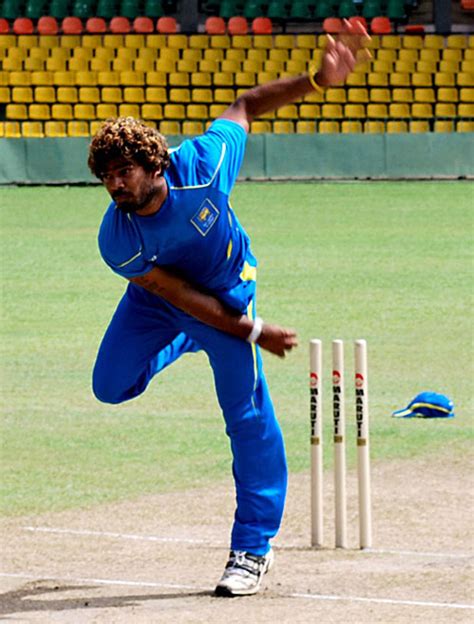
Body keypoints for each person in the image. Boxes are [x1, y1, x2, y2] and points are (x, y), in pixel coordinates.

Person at [88, 20, 369, 597]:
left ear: (154, 164)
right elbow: (171, 293)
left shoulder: (206, 166)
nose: (116, 184)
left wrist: (317, 79)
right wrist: (253, 331)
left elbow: (246, 103)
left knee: (245, 417)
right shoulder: (118, 238)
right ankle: (193, 338)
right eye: (107, 176)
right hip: (163, 300)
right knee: (110, 386)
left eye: (125, 171)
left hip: (224, 292)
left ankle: (252, 549)